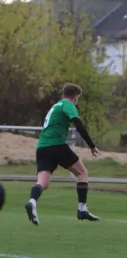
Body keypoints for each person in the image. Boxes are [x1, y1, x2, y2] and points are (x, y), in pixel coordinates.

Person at [25, 83, 101, 225]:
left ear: (62, 94)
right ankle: (82, 209)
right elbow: (78, 124)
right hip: (56, 145)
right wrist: (91, 145)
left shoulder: (55, 106)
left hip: (42, 146)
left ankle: (32, 201)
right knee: (82, 173)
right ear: (75, 98)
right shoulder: (68, 104)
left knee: (43, 182)